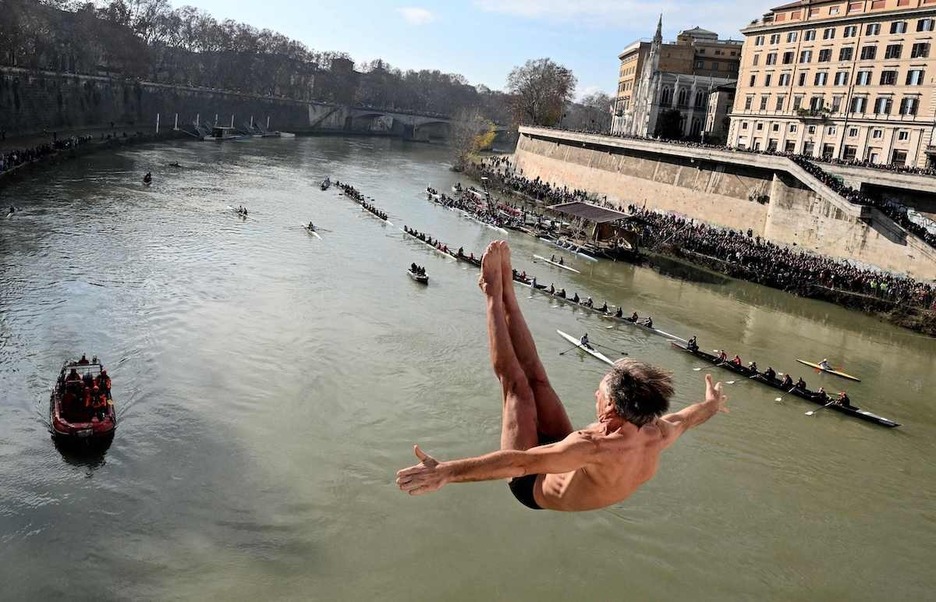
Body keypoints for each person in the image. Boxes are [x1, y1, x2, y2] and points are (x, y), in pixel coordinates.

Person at [396, 241, 729, 511]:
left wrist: (446, 472)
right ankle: (510, 293)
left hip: (531, 485)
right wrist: (712, 404)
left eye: (599, 393)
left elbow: (520, 465)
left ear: (611, 406)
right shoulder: (658, 432)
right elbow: (688, 419)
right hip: (566, 461)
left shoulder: (594, 447)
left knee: (518, 387)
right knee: (538, 379)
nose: (594, 396)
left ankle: (492, 296)